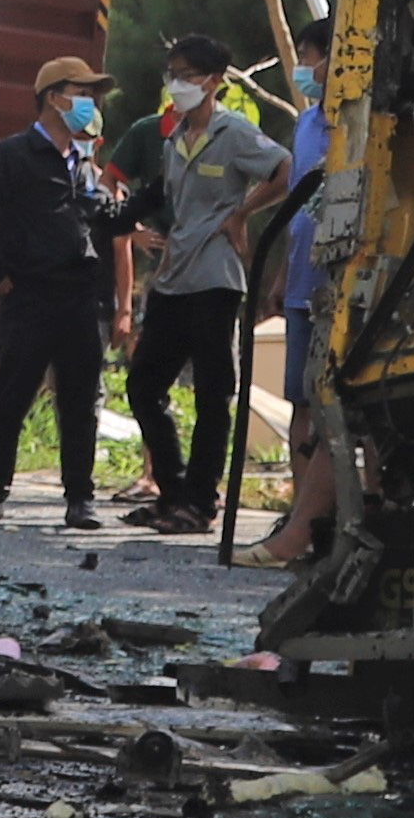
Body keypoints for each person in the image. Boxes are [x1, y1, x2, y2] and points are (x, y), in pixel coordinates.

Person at [117, 61, 288, 533]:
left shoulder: (234, 132)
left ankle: (200, 503)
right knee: (144, 385)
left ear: (213, 82)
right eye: (172, 72)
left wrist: (243, 213)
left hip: (216, 277)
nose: (177, 83)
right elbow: (172, 203)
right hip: (175, 276)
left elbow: (285, 170)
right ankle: (172, 492)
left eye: (189, 74)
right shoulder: (173, 139)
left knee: (214, 394)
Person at [0, 54, 120, 531]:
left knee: (79, 400)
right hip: (29, 293)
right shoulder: (12, 155)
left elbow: (104, 224)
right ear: (54, 97)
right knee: (12, 394)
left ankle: (79, 498)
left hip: (79, 297)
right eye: (81, 92)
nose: (89, 103)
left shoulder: (86, 164)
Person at [260, 78, 340, 570]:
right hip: (301, 287)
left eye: (317, 59)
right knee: (302, 404)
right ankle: (302, 519)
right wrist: (284, 271)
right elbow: (297, 205)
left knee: (337, 408)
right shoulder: (307, 123)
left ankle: (342, 517)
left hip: (342, 285)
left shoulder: (366, 113)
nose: (311, 70)